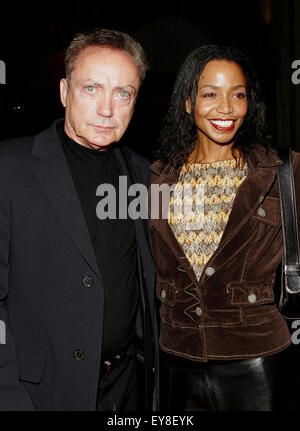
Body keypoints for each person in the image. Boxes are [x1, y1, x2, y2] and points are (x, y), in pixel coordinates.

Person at [0, 28, 159, 411]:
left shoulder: (144, 175)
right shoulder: (9, 167)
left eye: (123, 93)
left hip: (126, 390)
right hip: (38, 393)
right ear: (63, 92)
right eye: (92, 89)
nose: (108, 109)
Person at [149, 44, 300, 411]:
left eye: (238, 95)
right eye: (210, 94)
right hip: (176, 362)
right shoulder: (157, 179)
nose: (227, 108)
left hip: (257, 362)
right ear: (188, 102)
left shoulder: (283, 171)